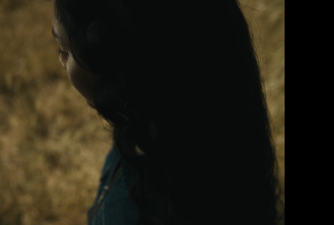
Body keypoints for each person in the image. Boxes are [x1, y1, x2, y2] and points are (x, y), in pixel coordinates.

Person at [51, 0, 282, 224]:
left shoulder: (155, 207)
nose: (61, 62)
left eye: (65, 51)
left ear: (120, 57)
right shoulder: (149, 126)